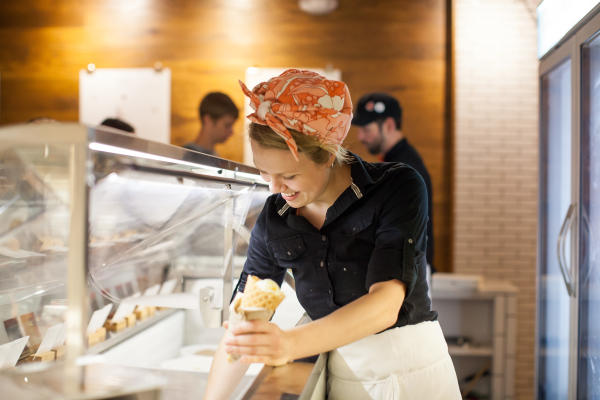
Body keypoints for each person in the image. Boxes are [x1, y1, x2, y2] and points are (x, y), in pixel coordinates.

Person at [204, 69, 460, 400]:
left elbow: (386, 304)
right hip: (343, 377)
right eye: (265, 174)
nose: (275, 189)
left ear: (326, 154)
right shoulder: (274, 220)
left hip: (414, 376)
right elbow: (243, 326)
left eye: (289, 175)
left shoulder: (396, 186)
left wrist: (289, 344)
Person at [352, 93, 436, 275]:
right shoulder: (398, 162)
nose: (360, 137)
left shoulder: (403, 168)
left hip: (407, 272)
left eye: (366, 129)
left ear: (389, 125)